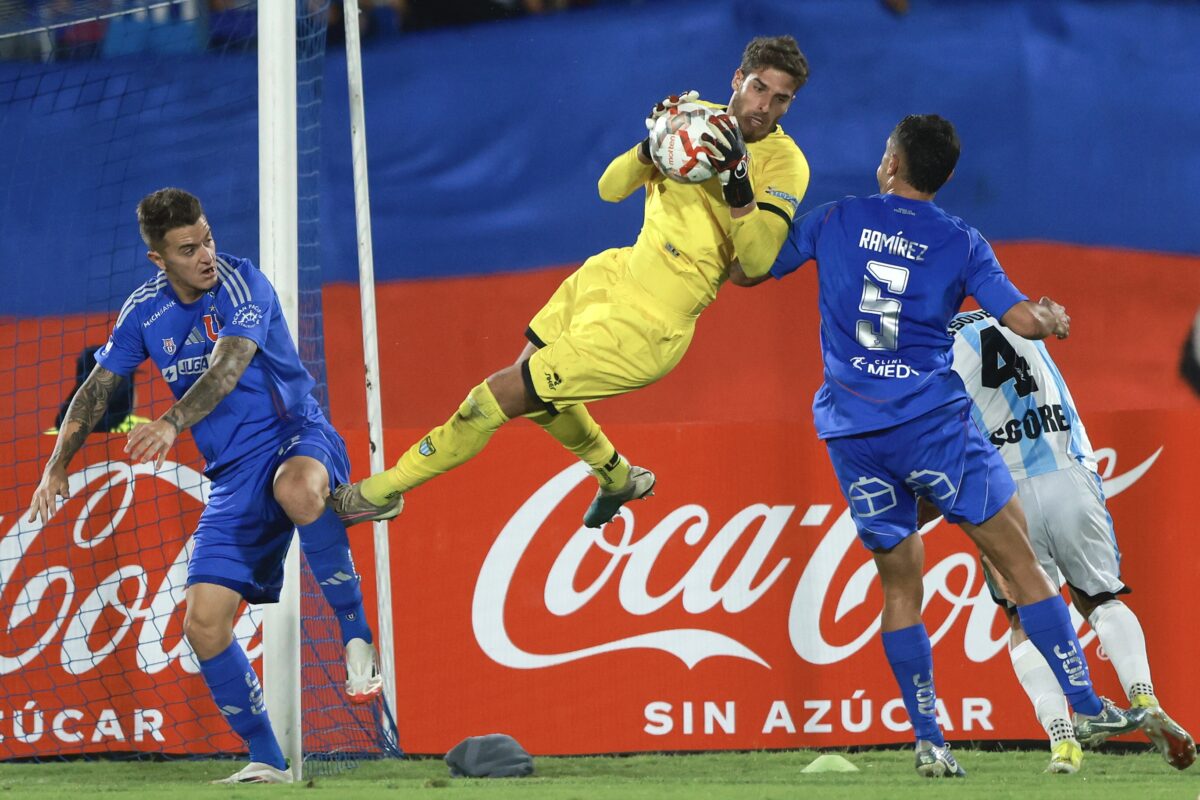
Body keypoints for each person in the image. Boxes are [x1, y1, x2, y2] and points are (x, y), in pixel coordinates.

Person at [733, 114, 1144, 777]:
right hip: (930, 424)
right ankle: (1087, 704)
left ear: (890, 162)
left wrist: (734, 188)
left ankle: (929, 739)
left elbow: (749, 268)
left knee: (900, 586)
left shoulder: (838, 218)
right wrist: (1052, 317)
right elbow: (1021, 321)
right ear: (945, 175)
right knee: (1020, 566)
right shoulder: (960, 241)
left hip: (853, 431)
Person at [332, 35, 812, 529]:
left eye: (781, 99)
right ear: (739, 79)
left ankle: (381, 491)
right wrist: (651, 147)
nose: (764, 106)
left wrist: (736, 177)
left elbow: (754, 265)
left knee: (492, 399)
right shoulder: (691, 122)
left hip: (652, 326)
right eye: (758, 88)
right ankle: (616, 475)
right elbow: (609, 189)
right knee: (536, 387)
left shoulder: (784, 164)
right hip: (612, 274)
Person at [26, 188, 384, 785]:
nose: (206, 255)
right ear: (158, 259)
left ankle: (357, 639)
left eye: (208, 238)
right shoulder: (143, 311)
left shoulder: (243, 285)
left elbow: (228, 367)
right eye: (189, 248)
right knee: (203, 624)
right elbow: (96, 389)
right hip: (232, 477)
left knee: (298, 489)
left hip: (294, 436)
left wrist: (170, 423)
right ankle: (267, 756)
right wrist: (56, 463)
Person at [941, 309, 1195, 773]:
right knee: (1100, 597)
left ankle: (1062, 738)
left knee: (1023, 614)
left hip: (1005, 489)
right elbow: (1051, 317)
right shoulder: (1012, 314)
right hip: (1069, 470)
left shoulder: (934, 347)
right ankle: (1144, 697)